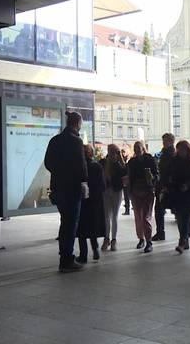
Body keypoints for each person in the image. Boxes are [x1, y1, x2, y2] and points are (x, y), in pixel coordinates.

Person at [44, 112, 88, 272]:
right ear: (77, 123)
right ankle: (66, 259)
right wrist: (83, 181)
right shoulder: (76, 141)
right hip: (72, 189)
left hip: (58, 188)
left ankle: (65, 256)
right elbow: (81, 166)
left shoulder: (55, 140)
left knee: (65, 222)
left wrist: (59, 172)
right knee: (71, 224)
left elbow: (48, 163)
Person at [169, 140, 190, 253]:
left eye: (182, 149)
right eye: (179, 149)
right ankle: (186, 234)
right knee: (180, 219)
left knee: (186, 217)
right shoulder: (174, 161)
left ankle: (182, 241)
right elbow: (171, 175)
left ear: (187, 150)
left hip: (189, 194)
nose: (180, 152)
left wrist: (188, 185)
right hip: (177, 193)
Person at [76, 144, 106, 263]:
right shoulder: (97, 166)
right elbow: (102, 185)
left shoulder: (79, 166)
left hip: (83, 201)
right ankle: (95, 250)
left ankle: (83, 255)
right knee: (92, 228)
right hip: (94, 202)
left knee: (82, 229)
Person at [127, 141, 158, 253]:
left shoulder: (149, 159)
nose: (137, 151)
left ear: (143, 149)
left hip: (147, 191)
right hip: (136, 191)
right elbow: (130, 177)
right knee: (138, 217)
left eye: (138, 148)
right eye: (135, 149)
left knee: (145, 217)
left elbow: (156, 174)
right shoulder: (132, 162)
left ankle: (148, 241)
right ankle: (141, 238)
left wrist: (152, 178)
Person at [100, 144, 127, 251]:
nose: (112, 154)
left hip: (117, 191)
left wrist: (120, 160)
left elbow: (124, 173)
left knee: (114, 216)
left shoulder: (120, 164)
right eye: (110, 151)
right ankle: (107, 239)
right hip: (106, 191)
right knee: (107, 216)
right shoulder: (103, 162)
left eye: (114, 152)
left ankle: (113, 240)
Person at [152, 133, 176, 241]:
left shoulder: (170, 154)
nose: (164, 143)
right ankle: (160, 232)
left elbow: (169, 171)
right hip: (163, 185)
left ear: (171, 141)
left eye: (165, 140)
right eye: (163, 141)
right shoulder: (165, 153)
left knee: (175, 210)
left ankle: (161, 233)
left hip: (167, 186)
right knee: (159, 209)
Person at [121, 148, 132, 216]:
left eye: (124, 152)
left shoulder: (128, 161)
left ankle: (127, 209)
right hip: (125, 180)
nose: (123, 154)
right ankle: (127, 209)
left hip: (127, 180)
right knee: (126, 196)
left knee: (127, 196)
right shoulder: (123, 161)